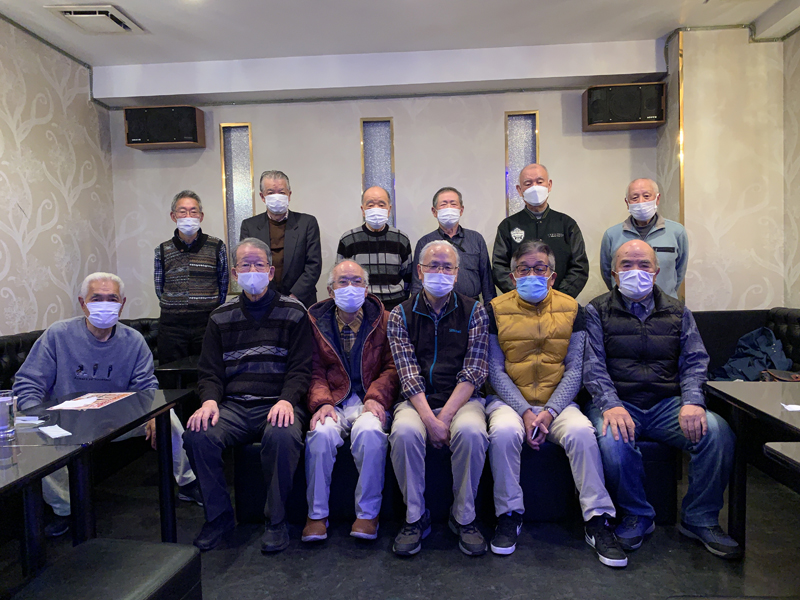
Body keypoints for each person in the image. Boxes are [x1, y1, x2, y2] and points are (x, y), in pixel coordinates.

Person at [583, 240, 740, 559]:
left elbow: (695, 360)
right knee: (613, 441)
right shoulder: (596, 310)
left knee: (718, 432)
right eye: (627, 265)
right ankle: (637, 515)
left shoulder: (678, 311)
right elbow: (592, 365)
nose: (636, 271)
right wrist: (611, 404)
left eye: (644, 265)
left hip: (667, 403)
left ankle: (700, 518)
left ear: (655, 272)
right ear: (614, 273)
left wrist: (693, 401)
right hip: (619, 402)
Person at [13, 272, 199, 537]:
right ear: (83, 303)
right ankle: (66, 509)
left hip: (118, 420)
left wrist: (152, 413)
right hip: (67, 422)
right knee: (36, 436)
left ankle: (188, 483)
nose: (104, 305)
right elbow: (28, 383)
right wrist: (38, 418)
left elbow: (147, 386)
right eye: (96, 298)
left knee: (166, 417)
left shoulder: (134, 340)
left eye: (112, 299)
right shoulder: (58, 335)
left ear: (122, 304)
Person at [484, 241, 626, 566]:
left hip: (557, 403)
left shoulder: (574, 309)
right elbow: (494, 369)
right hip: (508, 402)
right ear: (512, 276)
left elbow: (576, 369)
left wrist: (549, 413)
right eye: (524, 269)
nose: (532, 274)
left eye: (540, 268)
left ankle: (598, 520)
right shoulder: (493, 309)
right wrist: (524, 411)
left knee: (582, 433)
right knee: (504, 433)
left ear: (552, 275)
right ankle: (509, 515)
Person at [183, 238, 312, 553]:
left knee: (282, 435)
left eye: (259, 264)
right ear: (235, 273)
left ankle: (276, 520)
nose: (252, 270)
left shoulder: (294, 312)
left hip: (279, 403)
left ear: (270, 272)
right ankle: (219, 517)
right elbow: (210, 371)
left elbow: (301, 369)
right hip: (234, 407)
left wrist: (287, 399)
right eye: (245, 265)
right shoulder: (220, 316)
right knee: (198, 434)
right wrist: (209, 401)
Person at [387, 240, 490, 556]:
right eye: (433, 265)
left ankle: (464, 517)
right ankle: (415, 516)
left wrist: (443, 418)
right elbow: (407, 373)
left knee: (471, 432)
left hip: (463, 399)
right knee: (404, 432)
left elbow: (474, 371)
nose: (440, 272)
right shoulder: (400, 314)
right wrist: (429, 418)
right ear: (420, 271)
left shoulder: (475, 311)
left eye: (447, 267)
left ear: (457, 274)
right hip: (416, 400)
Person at [302, 260, 399, 542]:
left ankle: (368, 515)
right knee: (320, 434)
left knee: (370, 433)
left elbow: (393, 368)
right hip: (332, 400)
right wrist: (322, 402)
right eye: (343, 282)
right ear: (330, 291)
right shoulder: (314, 323)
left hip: (370, 399)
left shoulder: (386, 320)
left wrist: (376, 397)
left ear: (367, 289)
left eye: (357, 281)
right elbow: (313, 370)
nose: (350, 287)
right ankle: (316, 514)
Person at [492, 163, 589, 298]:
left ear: (549, 185)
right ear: (519, 190)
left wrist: (558, 297)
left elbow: (579, 266)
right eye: (528, 183)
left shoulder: (567, 224)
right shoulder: (507, 226)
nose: (534, 187)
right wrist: (520, 295)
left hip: (560, 302)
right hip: (519, 302)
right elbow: (499, 267)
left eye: (539, 182)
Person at [154, 190, 228, 364]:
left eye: (193, 211)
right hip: (171, 327)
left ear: (201, 216)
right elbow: (159, 288)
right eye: (182, 211)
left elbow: (223, 284)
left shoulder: (217, 246)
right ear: (173, 216)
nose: (188, 216)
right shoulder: (162, 249)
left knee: (208, 372)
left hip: (206, 323)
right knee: (171, 374)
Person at [240, 170, 322, 308]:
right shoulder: (249, 226)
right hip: (262, 299)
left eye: (282, 192)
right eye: (271, 192)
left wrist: (294, 297)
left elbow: (313, 265)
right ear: (262, 196)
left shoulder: (307, 223)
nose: (277, 197)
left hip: (301, 300)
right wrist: (266, 296)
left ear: (289, 195)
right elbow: (246, 264)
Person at [600, 178, 688, 298]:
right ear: (627, 202)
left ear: (657, 199)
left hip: (665, 305)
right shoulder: (611, 235)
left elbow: (679, 271)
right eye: (634, 197)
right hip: (623, 305)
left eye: (646, 196)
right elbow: (607, 273)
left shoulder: (677, 232)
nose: (641, 202)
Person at [411, 186, 495, 303]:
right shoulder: (425, 242)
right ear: (434, 212)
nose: (449, 208)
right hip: (435, 306)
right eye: (443, 204)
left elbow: (487, 281)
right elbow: (417, 283)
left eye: (453, 204)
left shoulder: (476, 239)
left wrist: (489, 308)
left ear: (461, 210)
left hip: (471, 305)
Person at [336, 186, 413, 311]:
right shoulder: (348, 239)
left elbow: (408, 277)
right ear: (363, 210)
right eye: (370, 205)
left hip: (395, 306)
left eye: (381, 205)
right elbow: (340, 277)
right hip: (361, 306)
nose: (376, 209)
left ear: (389, 209)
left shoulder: (401, 239)